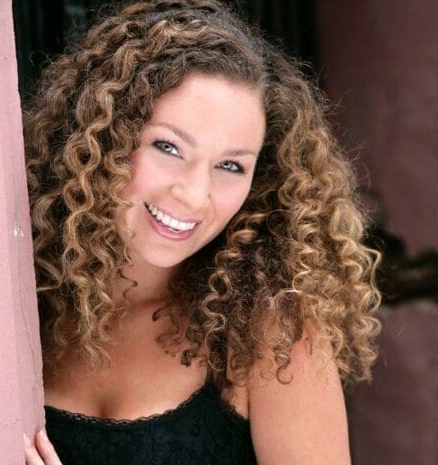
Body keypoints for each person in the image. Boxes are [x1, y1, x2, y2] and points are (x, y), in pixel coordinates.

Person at [21, 1, 381, 464]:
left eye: (230, 166)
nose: (194, 196)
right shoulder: (28, 300)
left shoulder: (270, 333)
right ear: (103, 135)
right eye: (168, 147)